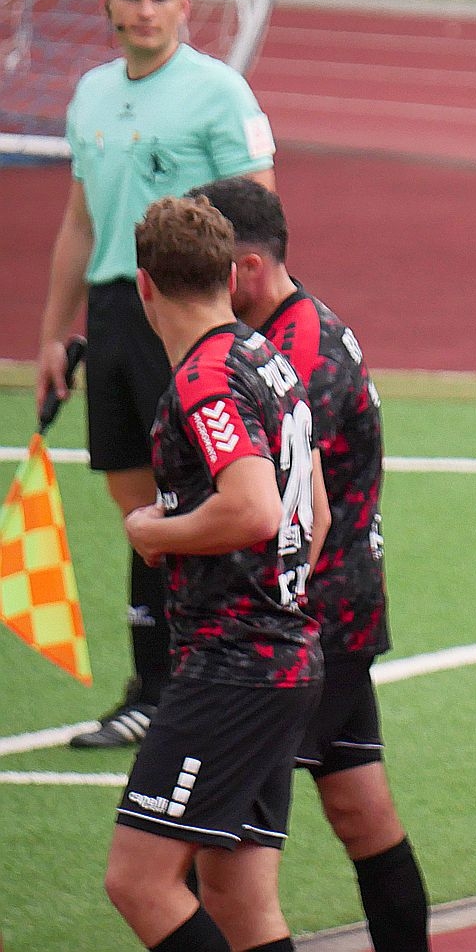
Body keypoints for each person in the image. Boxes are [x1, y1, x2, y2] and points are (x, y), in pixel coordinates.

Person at [39, 0, 277, 749]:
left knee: (195, 502)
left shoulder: (219, 92)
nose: (145, 10)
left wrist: (251, 327)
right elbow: (80, 221)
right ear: (108, 4)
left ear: (182, 3)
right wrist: (53, 333)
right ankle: (153, 686)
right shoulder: (91, 94)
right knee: (139, 511)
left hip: (186, 315)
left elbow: (259, 216)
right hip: (116, 312)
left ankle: (199, 682)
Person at [188, 176, 431, 952]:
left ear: (249, 269)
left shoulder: (295, 356)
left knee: (204, 849)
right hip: (339, 614)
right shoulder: (299, 330)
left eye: (209, 268)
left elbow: (298, 512)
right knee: (361, 811)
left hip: (303, 628)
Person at [106, 195, 320, 952]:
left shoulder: (207, 379)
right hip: (284, 657)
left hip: (232, 667)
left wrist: (154, 532)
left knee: (139, 881)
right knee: (237, 896)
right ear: (231, 277)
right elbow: (314, 512)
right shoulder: (270, 360)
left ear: (144, 285)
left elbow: (255, 509)